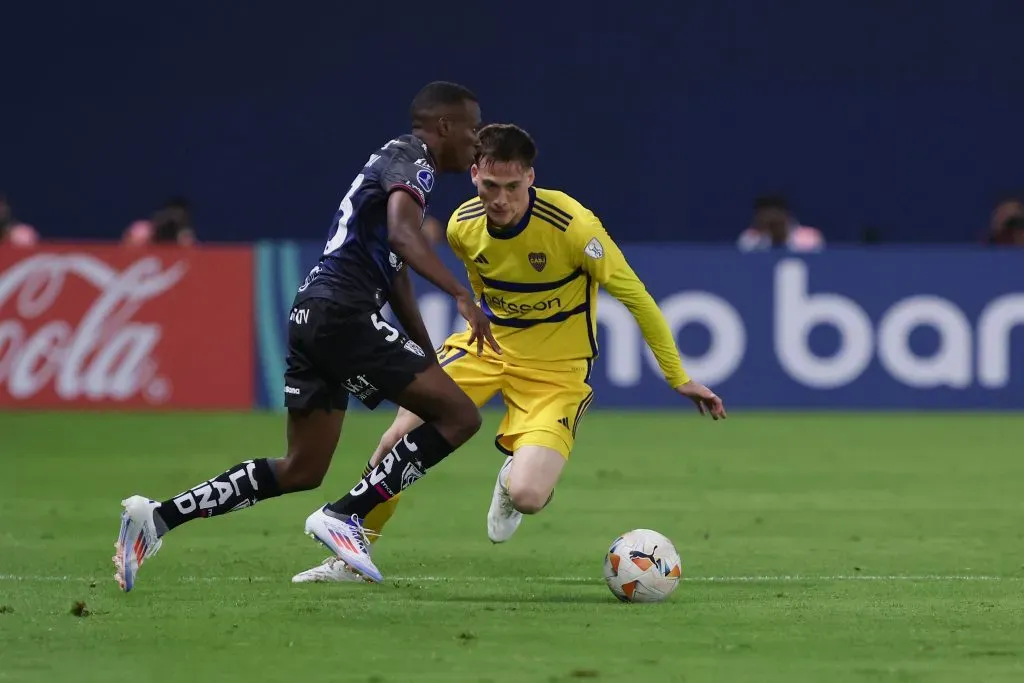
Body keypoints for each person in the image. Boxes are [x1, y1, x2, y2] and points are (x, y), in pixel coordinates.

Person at [292, 123, 726, 583]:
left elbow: (637, 298)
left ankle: (511, 474)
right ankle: (351, 558)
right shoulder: (462, 226)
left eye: (513, 187)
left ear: (531, 178)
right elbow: (482, 287)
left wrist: (676, 375)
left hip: (556, 372)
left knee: (528, 496)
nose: (500, 199)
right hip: (486, 350)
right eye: (490, 186)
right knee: (393, 440)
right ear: (474, 174)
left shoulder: (574, 228)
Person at [113, 81, 500, 591]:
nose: (477, 141)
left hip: (312, 314)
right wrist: (461, 294)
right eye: (472, 129)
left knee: (301, 467)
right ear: (444, 126)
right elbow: (406, 237)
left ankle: (156, 518)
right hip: (343, 315)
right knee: (461, 416)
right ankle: (347, 515)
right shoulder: (415, 160)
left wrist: (428, 357)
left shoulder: (392, 164)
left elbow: (396, 265)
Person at [736, 195, 823, 252]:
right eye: (765, 215)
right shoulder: (749, 238)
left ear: (785, 215)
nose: (771, 218)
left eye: (775, 213)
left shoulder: (810, 237)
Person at [123, 197, 197, 246]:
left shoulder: (185, 235)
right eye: (171, 214)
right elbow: (126, 249)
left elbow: (190, 256)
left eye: (180, 216)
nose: (173, 219)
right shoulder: (143, 230)